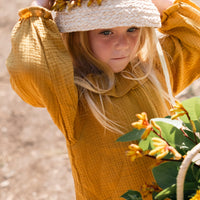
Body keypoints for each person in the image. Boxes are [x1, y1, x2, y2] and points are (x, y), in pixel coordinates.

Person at [6, 0, 200, 199]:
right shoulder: (72, 94)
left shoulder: (151, 70)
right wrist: (40, 6)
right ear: (78, 37)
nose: (123, 44)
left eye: (132, 28)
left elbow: (197, 36)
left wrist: (150, 2)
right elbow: (29, 68)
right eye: (106, 32)